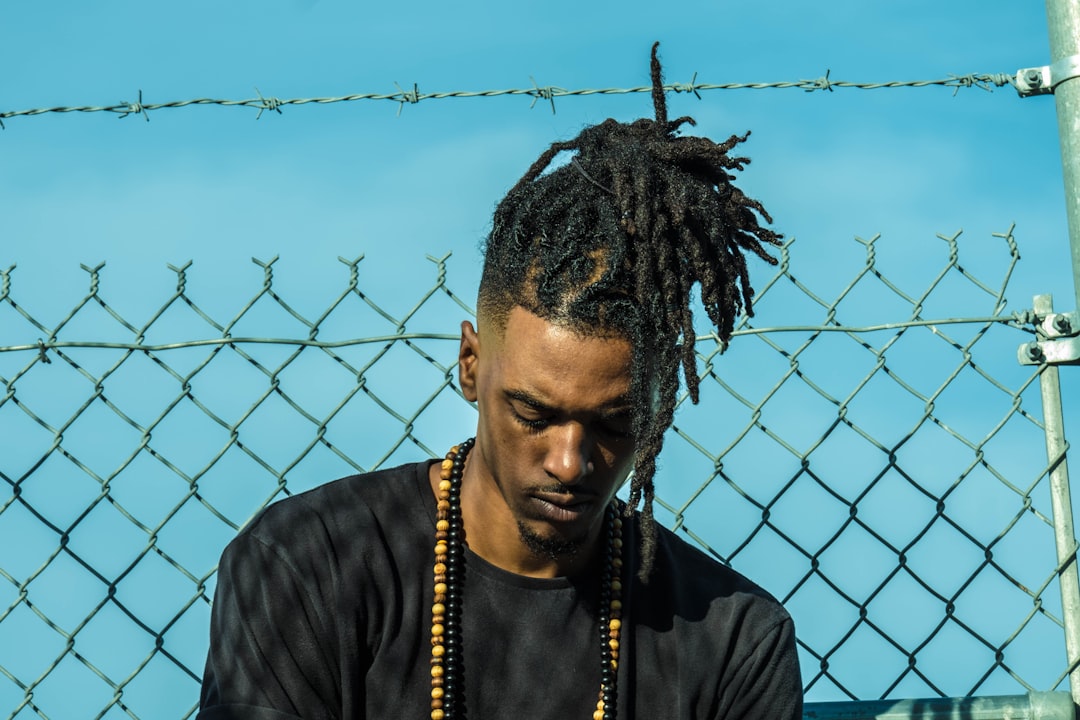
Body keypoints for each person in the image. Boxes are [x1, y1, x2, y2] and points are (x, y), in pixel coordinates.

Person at [198, 44, 803, 720]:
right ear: (470, 365)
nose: (572, 462)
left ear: (661, 402)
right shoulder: (306, 567)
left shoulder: (731, 640)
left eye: (614, 423)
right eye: (534, 415)